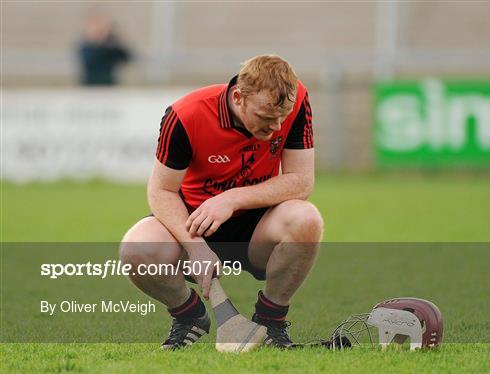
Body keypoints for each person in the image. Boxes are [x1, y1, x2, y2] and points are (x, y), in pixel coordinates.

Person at [120, 55, 323, 350]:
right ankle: (189, 316)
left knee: (307, 220)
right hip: (192, 221)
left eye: (282, 117)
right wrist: (195, 246)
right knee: (135, 250)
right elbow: (161, 191)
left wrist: (231, 198)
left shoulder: (296, 97)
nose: (276, 127)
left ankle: (271, 322)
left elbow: (301, 181)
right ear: (239, 97)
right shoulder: (186, 115)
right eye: (266, 117)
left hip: (257, 225)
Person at [78, 13, 131, 85]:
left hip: (108, 83)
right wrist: (101, 44)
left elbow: (126, 57)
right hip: (90, 84)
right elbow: (89, 60)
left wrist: (114, 42)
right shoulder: (85, 45)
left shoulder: (111, 44)